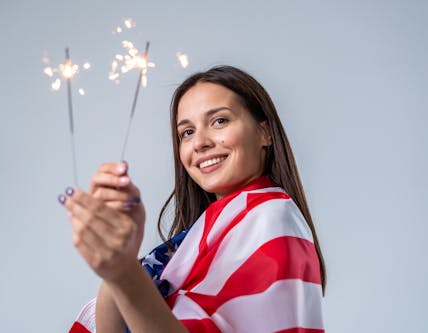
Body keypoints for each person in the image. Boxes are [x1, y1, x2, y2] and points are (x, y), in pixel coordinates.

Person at [58, 65, 326, 333]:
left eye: (220, 120)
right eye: (187, 132)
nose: (200, 143)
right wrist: (116, 266)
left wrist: (124, 271)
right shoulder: (191, 243)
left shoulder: (270, 219)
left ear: (265, 132)